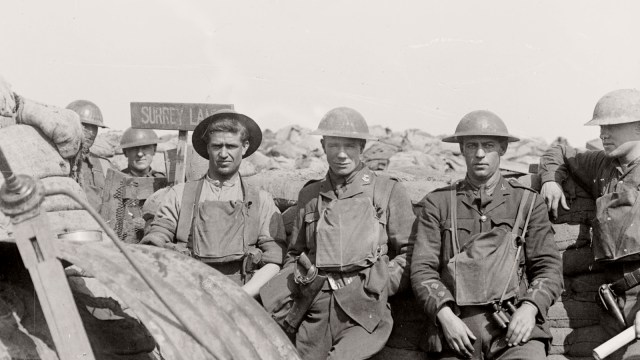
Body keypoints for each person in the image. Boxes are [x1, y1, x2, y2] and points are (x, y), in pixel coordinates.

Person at [411, 110, 562, 359]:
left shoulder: (526, 202)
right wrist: (445, 317)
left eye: (488, 145)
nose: (479, 154)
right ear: (461, 149)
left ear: (502, 149)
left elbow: (548, 267)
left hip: (513, 330)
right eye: (472, 145)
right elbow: (422, 270)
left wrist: (530, 308)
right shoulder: (438, 203)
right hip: (457, 331)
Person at [284, 107, 415, 359]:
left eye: (350, 146)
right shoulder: (310, 195)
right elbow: (295, 253)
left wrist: (380, 283)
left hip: (364, 309)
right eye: (334, 146)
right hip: (315, 309)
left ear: (362, 147)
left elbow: (410, 253)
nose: (341, 154)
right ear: (323, 146)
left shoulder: (386, 191)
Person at [141, 110, 286, 298]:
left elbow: (274, 258)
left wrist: (243, 295)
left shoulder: (260, 200)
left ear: (245, 147)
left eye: (231, 146)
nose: (223, 154)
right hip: (188, 293)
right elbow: (156, 243)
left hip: (243, 296)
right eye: (217, 146)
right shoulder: (180, 195)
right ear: (208, 148)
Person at [539, 89, 640, 358]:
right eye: (601, 127)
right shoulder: (602, 166)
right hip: (613, 299)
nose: (603, 134)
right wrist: (550, 179)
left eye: (612, 126)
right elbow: (557, 151)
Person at [66, 100, 116, 211]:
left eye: (94, 127)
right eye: (84, 125)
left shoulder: (104, 166)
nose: (91, 132)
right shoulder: (56, 163)